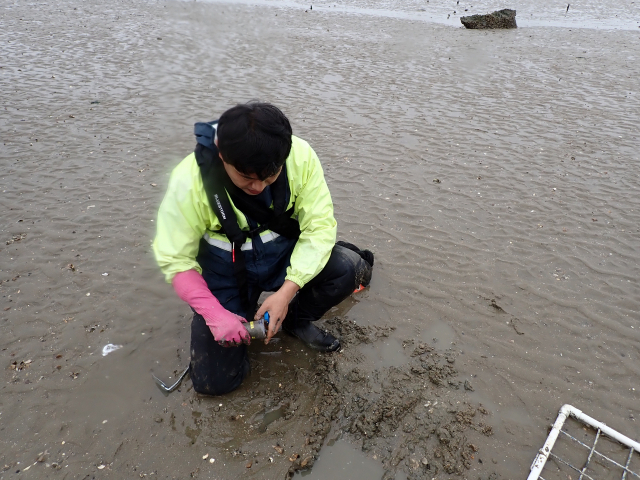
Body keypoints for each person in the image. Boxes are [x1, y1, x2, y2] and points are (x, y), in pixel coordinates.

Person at [153, 102, 374, 396]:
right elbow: (175, 260)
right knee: (212, 384)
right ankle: (239, 317)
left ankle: (296, 320)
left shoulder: (300, 155)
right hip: (225, 269)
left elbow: (319, 227)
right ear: (222, 156)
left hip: (281, 252)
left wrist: (286, 292)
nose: (258, 187)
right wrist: (215, 314)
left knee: (344, 270)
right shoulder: (188, 181)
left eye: (268, 178)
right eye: (246, 179)